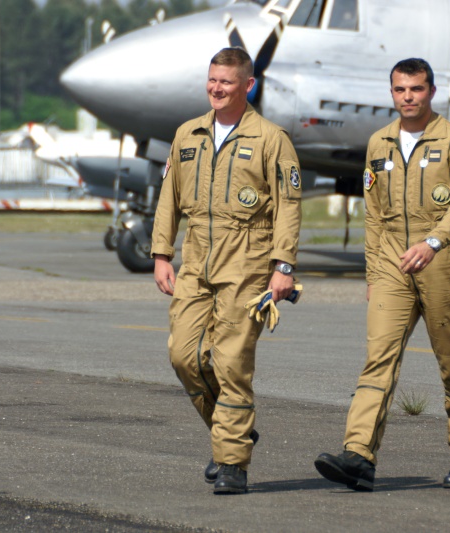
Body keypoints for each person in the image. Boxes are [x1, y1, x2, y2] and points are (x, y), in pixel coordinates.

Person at [315, 58, 450, 491]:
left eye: (416, 89)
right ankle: (358, 455)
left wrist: (432, 243)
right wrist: (374, 272)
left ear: (431, 91)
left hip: (440, 260)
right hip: (392, 264)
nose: (408, 97)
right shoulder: (379, 143)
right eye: (399, 90)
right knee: (378, 358)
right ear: (391, 93)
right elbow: (373, 215)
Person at [151, 47, 302, 494]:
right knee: (184, 356)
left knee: (231, 363)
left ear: (248, 86)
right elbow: (169, 198)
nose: (217, 88)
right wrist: (162, 253)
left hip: (249, 264)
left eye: (227, 82)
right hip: (196, 261)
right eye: (212, 80)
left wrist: (284, 266)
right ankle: (230, 429)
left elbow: (289, 208)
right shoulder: (188, 134)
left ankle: (233, 461)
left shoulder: (272, 139)